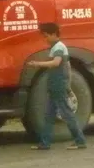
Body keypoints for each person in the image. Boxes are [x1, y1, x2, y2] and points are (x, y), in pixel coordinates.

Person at [28, 22, 87, 150]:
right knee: (49, 115)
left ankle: (80, 140)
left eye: (46, 36)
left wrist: (37, 64)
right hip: (56, 84)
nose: (45, 39)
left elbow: (56, 63)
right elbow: (68, 67)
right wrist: (68, 83)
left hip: (57, 85)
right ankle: (45, 143)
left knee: (66, 114)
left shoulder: (58, 48)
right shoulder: (59, 47)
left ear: (54, 34)